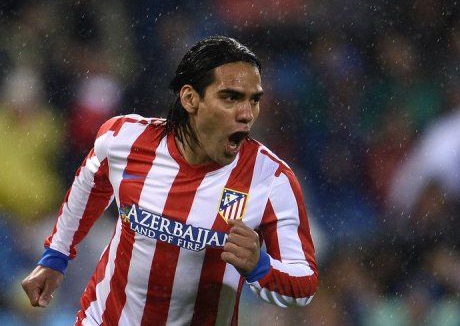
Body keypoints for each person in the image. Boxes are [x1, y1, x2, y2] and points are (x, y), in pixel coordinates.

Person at [21, 36, 318, 325]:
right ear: (190, 98)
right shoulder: (124, 139)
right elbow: (90, 188)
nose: (246, 114)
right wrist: (55, 256)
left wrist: (259, 267)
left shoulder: (272, 180)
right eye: (231, 97)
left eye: (254, 100)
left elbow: (304, 283)